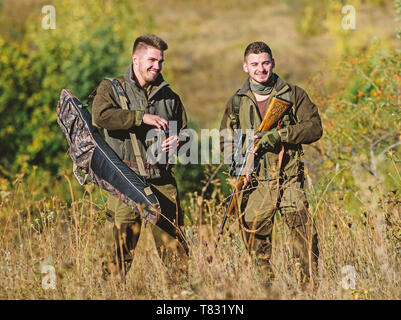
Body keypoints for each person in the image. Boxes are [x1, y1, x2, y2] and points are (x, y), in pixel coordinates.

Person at [219, 41, 322, 289]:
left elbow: (314, 128)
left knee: (304, 240)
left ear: (273, 63)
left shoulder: (293, 94)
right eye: (254, 64)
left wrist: (280, 135)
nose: (261, 69)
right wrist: (237, 167)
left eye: (265, 63)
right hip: (256, 183)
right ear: (245, 67)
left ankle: (307, 290)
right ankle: (267, 290)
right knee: (256, 241)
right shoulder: (237, 101)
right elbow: (225, 139)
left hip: (289, 181)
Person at [91, 34, 189, 281]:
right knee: (117, 256)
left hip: (162, 182)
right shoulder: (112, 88)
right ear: (135, 58)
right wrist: (139, 117)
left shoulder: (170, 96)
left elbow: (185, 134)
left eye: (161, 61)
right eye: (152, 60)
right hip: (125, 181)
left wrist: (179, 140)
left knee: (176, 256)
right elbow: (100, 117)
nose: (157, 66)